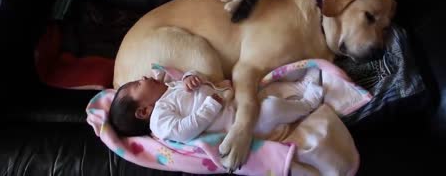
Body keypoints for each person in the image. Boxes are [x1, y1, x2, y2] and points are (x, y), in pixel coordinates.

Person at [108, 69, 323, 142]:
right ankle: (308, 103)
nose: (143, 77)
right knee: (272, 109)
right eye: (138, 84)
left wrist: (191, 76)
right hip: (238, 124)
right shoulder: (158, 120)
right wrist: (209, 107)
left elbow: (200, 78)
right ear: (143, 111)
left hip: (236, 101)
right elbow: (183, 131)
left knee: (264, 84)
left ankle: (299, 81)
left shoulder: (171, 86)